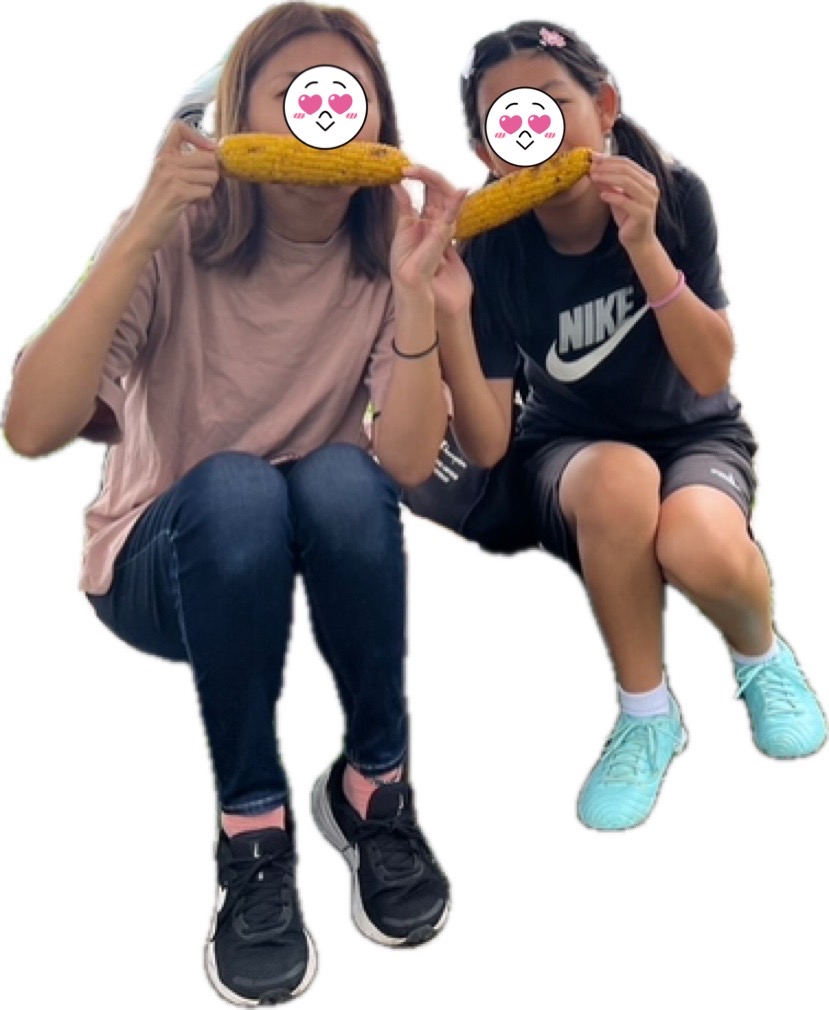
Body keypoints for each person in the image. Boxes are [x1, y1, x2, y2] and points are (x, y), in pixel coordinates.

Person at [2, 3, 465, 1003]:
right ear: (236, 117)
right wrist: (140, 227)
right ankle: (253, 831)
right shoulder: (179, 233)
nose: (319, 116)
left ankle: (373, 789)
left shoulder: (389, 244)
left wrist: (418, 294)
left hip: (303, 553)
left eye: (344, 97)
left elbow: (406, 459)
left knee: (344, 474)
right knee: (238, 487)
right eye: (290, 95)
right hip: (162, 564)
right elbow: (29, 428)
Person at [426, 19, 826, 832]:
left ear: (603, 105)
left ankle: (760, 657)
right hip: (567, 448)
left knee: (698, 543)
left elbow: (709, 371)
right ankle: (647, 716)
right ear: (484, 151)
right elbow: (490, 443)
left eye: (553, 104)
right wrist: (448, 313)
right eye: (508, 121)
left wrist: (643, 245)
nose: (535, 132)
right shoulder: (492, 250)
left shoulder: (674, 197)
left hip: (694, 433)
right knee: (618, 481)